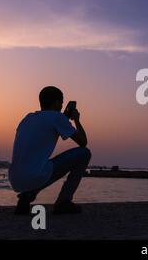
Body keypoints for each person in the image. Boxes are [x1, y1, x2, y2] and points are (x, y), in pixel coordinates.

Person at [9, 86, 91, 215]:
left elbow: (51, 123)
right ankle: (63, 202)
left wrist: (63, 117)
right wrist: (76, 120)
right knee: (84, 153)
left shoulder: (27, 118)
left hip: (15, 179)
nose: (61, 106)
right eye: (61, 103)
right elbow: (83, 142)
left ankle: (28, 194)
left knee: (40, 167)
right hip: (34, 176)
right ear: (57, 102)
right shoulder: (57, 118)